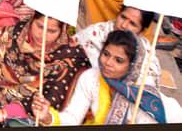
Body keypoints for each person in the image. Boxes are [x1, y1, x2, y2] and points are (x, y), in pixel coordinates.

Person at [0, 13, 90, 128]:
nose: (43, 35)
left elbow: (51, 100)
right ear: (32, 20)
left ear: (62, 29)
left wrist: (2, 114)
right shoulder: (15, 32)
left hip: (27, 116)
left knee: (17, 124)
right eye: (39, 26)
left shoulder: (70, 56)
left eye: (51, 31)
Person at [32, 30, 164, 125]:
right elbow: (73, 118)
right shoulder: (91, 77)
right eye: (106, 54)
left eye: (118, 60)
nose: (108, 62)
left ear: (132, 66)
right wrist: (48, 118)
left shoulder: (142, 96)